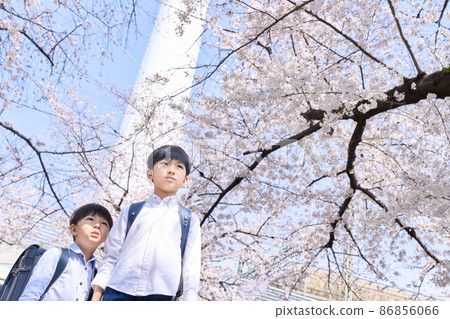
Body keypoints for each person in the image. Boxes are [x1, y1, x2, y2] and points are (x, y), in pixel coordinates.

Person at [91, 145, 201, 301]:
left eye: (179, 166)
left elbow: (191, 265)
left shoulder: (188, 220)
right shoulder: (131, 211)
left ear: (185, 180)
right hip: (118, 290)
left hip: (162, 293)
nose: (171, 170)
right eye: (164, 164)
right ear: (150, 173)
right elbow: (112, 254)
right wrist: (97, 294)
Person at [19, 203, 113, 301]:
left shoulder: (96, 273)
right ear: (73, 229)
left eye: (104, 223)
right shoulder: (57, 255)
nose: (97, 225)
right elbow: (30, 295)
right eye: (90, 219)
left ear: (106, 238)